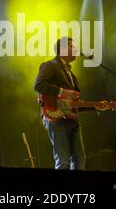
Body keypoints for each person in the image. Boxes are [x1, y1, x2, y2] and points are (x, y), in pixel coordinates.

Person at [34, 37, 105, 170]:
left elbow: (74, 104)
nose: (76, 50)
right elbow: (38, 85)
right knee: (63, 161)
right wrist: (61, 92)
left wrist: (96, 106)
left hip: (72, 119)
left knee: (80, 160)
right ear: (63, 49)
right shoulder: (50, 65)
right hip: (55, 117)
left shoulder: (71, 74)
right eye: (73, 47)